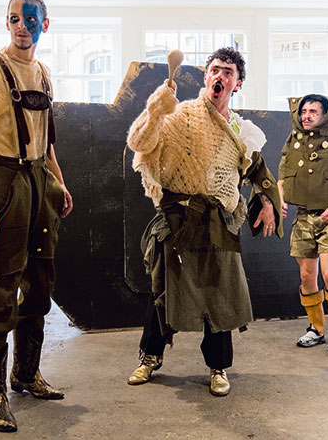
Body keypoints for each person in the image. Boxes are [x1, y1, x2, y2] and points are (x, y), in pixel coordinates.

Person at [126, 47, 283, 397]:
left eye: (228, 72)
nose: (220, 76)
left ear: (237, 83)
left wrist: (269, 203)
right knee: (161, 295)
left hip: (218, 223)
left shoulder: (242, 130)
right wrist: (155, 110)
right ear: (205, 76)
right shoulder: (180, 115)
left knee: (219, 296)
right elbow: (139, 142)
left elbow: (255, 171)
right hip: (178, 219)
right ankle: (149, 357)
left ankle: (218, 367)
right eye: (215, 70)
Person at [0, 0, 73, 433]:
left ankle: (26, 374)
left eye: (29, 18)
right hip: (2, 183)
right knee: (0, 290)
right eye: (13, 18)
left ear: (44, 25)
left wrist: (58, 183)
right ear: (7, 23)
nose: (20, 25)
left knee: (41, 285)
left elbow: (46, 143)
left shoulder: (44, 74)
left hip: (38, 182)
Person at [277, 94, 328, 356]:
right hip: (303, 217)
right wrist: (280, 200)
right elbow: (281, 179)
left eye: (314, 111)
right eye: (304, 111)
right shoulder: (293, 144)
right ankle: (316, 327)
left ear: (325, 115)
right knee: (306, 276)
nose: (307, 115)